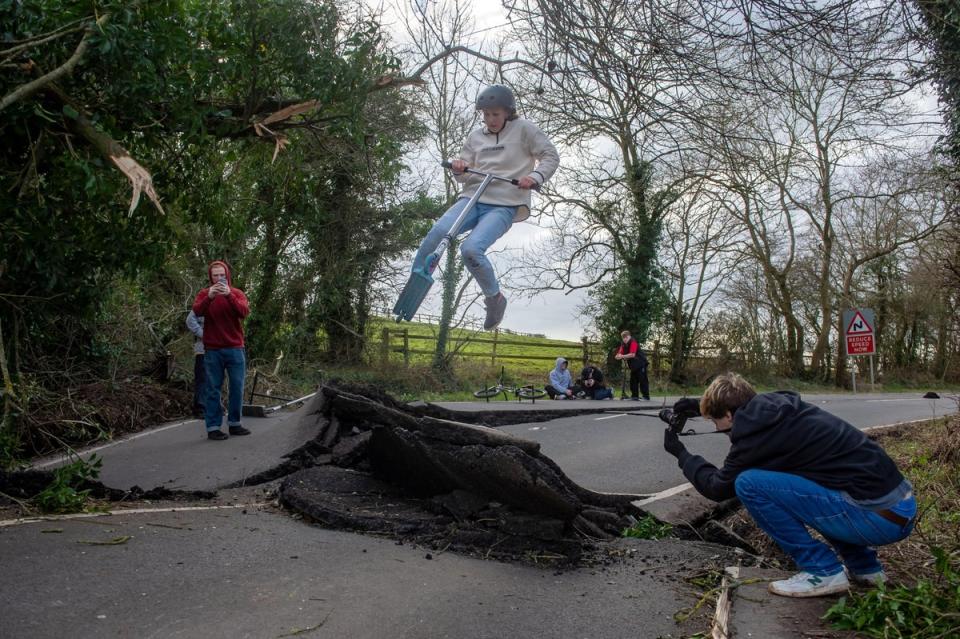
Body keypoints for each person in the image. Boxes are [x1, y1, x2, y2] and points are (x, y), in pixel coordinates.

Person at [662, 372, 916, 598]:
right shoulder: (780, 410)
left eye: (715, 423)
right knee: (815, 486)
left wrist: (682, 455)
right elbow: (738, 409)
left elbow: (717, 488)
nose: (718, 430)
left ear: (729, 415)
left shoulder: (754, 436)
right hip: (899, 508)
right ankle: (866, 569)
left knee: (749, 484)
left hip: (877, 519)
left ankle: (822, 571)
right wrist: (700, 406)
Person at [411, 85, 560, 330]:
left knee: (470, 249)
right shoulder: (476, 137)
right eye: (486, 114)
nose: (490, 120)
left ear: (508, 112)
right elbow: (463, 173)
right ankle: (415, 280)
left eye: (496, 114)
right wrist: (459, 167)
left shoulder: (525, 130)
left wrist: (535, 177)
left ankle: (495, 299)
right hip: (472, 198)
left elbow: (550, 156)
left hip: (505, 203)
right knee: (438, 232)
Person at [191, 261, 251, 441]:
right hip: (213, 350)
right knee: (212, 389)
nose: (219, 279)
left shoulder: (237, 293)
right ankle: (213, 427)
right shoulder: (204, 294)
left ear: (227, 275)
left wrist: (229, 296)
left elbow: (244, 312)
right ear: (211, 277)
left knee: (237, 387)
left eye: (221, 275)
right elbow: (196, 312)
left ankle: (235, 424)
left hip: (235, 348)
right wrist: (209, 297)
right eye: (215, 275)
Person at [614, 330, 649, 400]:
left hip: (641, 363)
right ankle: (634, 396)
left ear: (629, 336)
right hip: (633, 366)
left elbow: (632, 354)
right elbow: (619, 353)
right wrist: (618, 356)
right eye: (623, 338)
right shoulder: (623, 344)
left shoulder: (633, 342)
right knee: (633, 381)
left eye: (626, 337)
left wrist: (622, 356)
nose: (624, 339)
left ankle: (646, 396)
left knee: (643, 380)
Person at [185, 310, 206, 418]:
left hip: (218, 350)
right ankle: (200, 408)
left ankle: (212, 406)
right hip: (203, 349)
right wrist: (204, 334)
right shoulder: (203, 304)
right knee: (202, 378)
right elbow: (190, 320)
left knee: (216, 379)